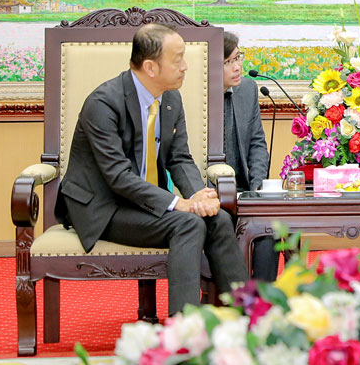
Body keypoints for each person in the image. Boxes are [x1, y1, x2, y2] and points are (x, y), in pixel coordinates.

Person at [55, 22, 247, 314]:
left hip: (144, 203)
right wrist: (179, 204)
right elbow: (118, 177)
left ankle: (249, 317)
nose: (185, 67)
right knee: (188, 222)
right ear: (151, 67)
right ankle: (185, 331)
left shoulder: (170, 98)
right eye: (177, 59)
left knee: (217, 219)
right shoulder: (103, 104)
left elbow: (179, 158)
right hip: (103, 206)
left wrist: (198, 197)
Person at [222, 31, 280, 281]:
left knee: (269, 223)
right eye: (228, 62)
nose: (238, 67)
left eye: (238, 58)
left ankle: (261, 300)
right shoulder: (195, 96)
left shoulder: (247, 89)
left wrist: (258, 186)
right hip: (209, 193)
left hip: (245, 189)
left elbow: (257, 143)